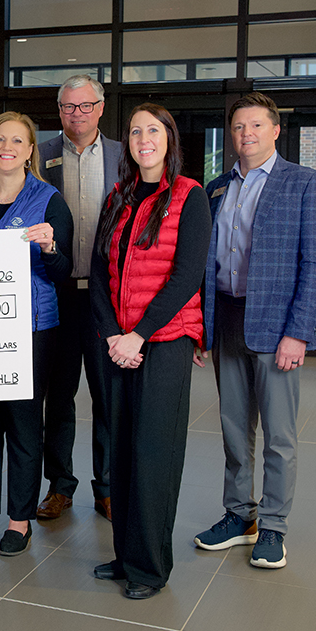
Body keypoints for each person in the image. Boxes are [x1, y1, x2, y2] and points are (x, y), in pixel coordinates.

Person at [193, 92, 316, 569]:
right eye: (237, 127)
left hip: (277, 328)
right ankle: (240, 516)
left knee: (278, 435)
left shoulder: (306, 183)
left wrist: (299, 331)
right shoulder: (216, 188)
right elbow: (204, 266)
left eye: (255, 126)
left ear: (276, 131)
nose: (246, 135)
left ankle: (273, 526)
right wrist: (202, 328)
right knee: (234, 429)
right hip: (227, 319)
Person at [90, 103, 211, 599]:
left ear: (169, 139)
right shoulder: (118, 196)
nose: (144, 138)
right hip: (120, 343)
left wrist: (138, 335)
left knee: (153, 456)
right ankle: (126, 556)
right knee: (121, 452)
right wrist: (114, 335)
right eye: (136, 131)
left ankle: (151, 568)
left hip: (165, 343)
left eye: (153, 130)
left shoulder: (190, 196)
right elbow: (100, 270)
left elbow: (186, 276)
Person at [0, 112, 73, 556]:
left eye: (17, 141)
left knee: (25, 424)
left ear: (31, 151)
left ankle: (19, 518)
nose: (7, 147)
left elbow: (63, 272)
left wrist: (48, 247)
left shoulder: (49, 201)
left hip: (30, 330)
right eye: (0, 140)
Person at [38, 75, 123, 523]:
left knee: (107, 395)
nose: (77, 114)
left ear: (101, 107)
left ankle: (107, 486)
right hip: (57, 292)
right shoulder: (41, 154)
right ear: (59, 111)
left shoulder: (122, 156)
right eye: (69, 107)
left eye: (85, 106)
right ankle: (60, 485)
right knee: (60, 395)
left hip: (105, 296)